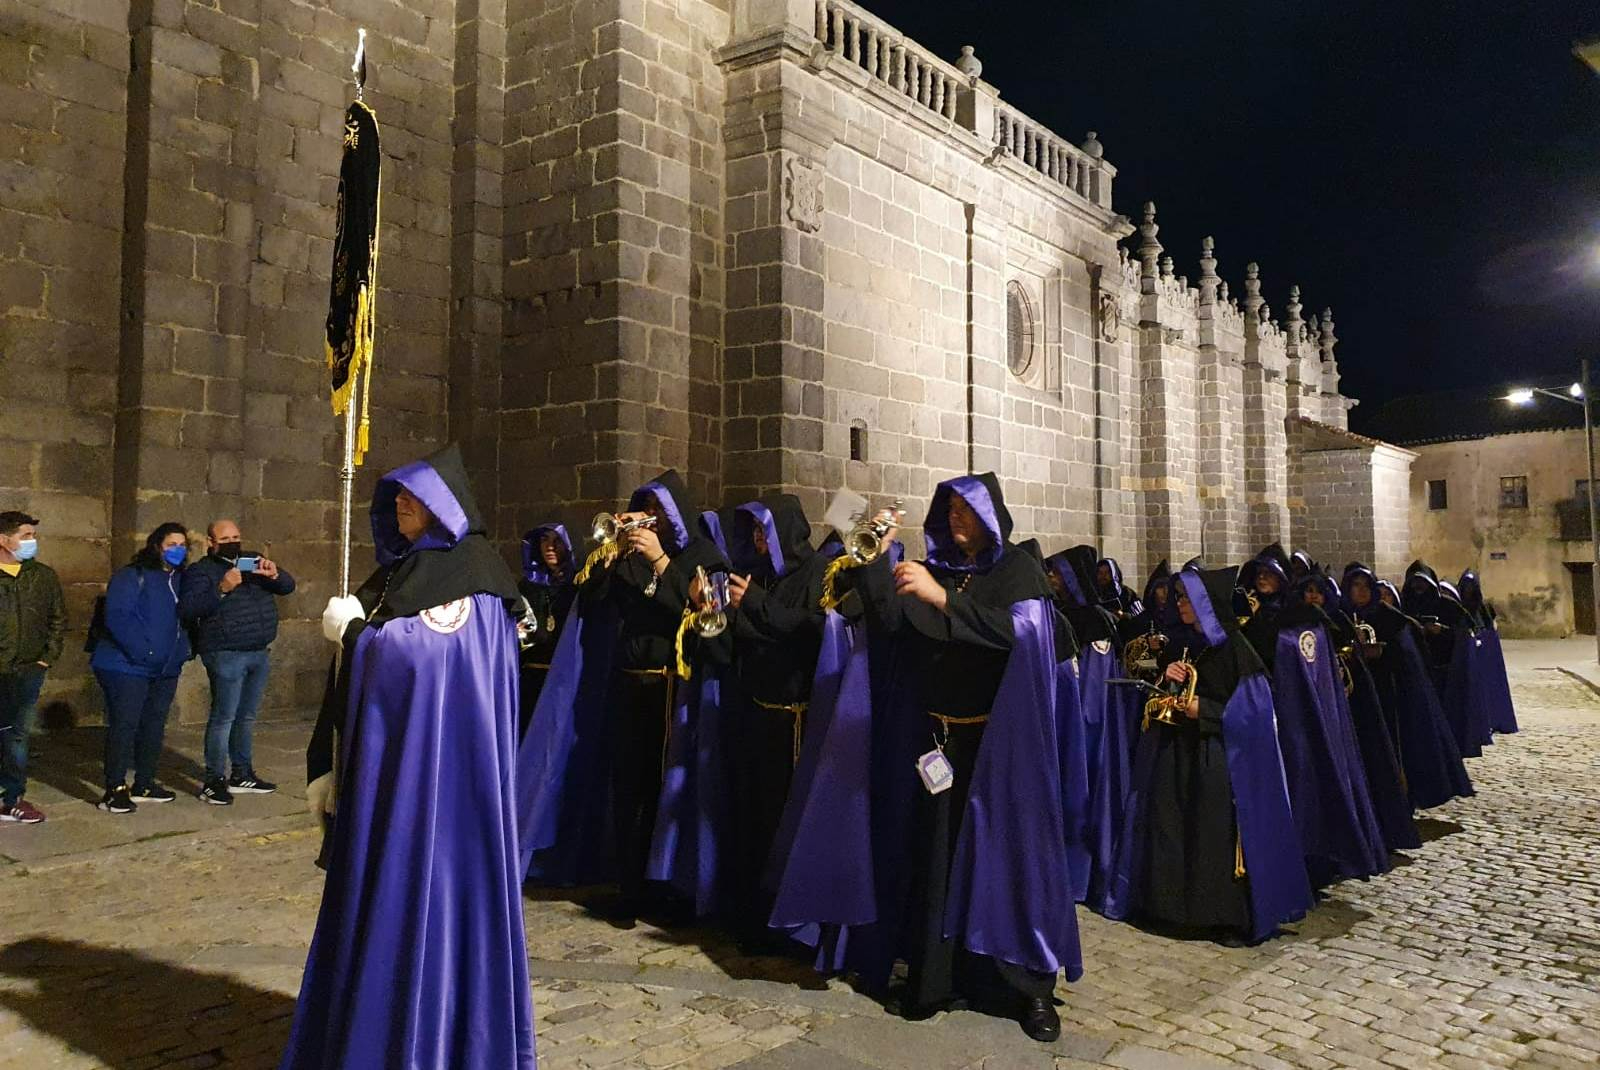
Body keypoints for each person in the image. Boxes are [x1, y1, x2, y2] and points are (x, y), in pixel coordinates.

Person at [781, 474, 1080, 1043]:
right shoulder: (938, 570)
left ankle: (1027, 990)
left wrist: (942, 599)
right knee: (935, 859)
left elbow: (1024, 636)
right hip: (936, 741)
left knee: (1009, 862)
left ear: (991, 517)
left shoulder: (1016, 571)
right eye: (951, 510)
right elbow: (894, 626)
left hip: (1000, 749)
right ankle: (934, 980)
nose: (958, 520)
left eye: (968, 511)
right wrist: (873, 557)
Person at [282, 444, 535, 1070]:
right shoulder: (403, 572)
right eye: (395, 494)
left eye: (413, 495)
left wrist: (355, 636)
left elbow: (424, 660)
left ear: (445, 507)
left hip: (442, 791)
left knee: (424, 907)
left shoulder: (469, 571)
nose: (400, 503)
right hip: (393, 774)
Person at [517, 470, 727, 918]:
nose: (649, 519)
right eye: (644, 509)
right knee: (627, 786)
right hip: (628, 685)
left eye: (658, 511)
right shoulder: (627, 558)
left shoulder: (701, 555)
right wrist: (610, 553)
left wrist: (661, 563)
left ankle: (667, 888)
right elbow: (590, 602)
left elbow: (698, 612)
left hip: (675, 688)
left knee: (666, 791)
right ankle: (629, 886)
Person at [1106, 565, 1312, 945]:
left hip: (1217, 757)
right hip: (1179, 754)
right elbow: (1168, 690)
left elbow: (1257, 713)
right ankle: (1173, 910)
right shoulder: (1189, 643)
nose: (1179, 604)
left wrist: (1208, 711)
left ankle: (1222, 917)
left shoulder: (1237, 649)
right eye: (1179, 597)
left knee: (1212, 838)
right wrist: (1168, 679)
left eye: (1186, 598)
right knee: (1175, 829)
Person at [718, 494, 830, 945]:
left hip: (797, 723)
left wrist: (757, 606)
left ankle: (793, 924)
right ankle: (754, 915)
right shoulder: (758, 575)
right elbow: (756, 639)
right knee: (753, 820)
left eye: (766, 531)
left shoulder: (817, 575)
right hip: (757, 715)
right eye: (755, 533)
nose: (760, 541)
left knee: (789, 823)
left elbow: (814, 632)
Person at [1252, 573, 1389, 888]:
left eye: (1317, 592)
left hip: (1321, 718)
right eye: (1307, 591)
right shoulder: (1278, 626)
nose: (1312, 597)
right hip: (1289, 720)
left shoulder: (1320, 626)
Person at [178, 520, 295, 805]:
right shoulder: (200, 571)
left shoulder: (252, 562)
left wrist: (275, 573)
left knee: (247, 716)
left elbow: (287, 587)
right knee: (224, 718)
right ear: (210, 542)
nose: (232, 541)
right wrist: (222, 588)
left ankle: (242, 773)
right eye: (225, 537)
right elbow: (190, 608)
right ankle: (213, 780)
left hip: (257, 649)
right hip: (225, 651)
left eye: (236, 536)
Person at [1302, 572, 1419, 854]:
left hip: (1369, 700)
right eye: (1355, 586)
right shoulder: (1313, 622)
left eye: (1366, 587)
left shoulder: (1349, 621)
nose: (1314, 597)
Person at [1342, 566, 1473, 810]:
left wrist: (1382, 653)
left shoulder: (1391, 619)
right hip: (1355, 696)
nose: (1360, 591)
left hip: (1389, 694)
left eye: (1364, 586)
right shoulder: (1342, 617)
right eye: (1354, 586)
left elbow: (1408, 661)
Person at [90, 523, 192, 814]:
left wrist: (180, 652)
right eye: (171, 543)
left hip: (165, 667)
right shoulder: (132, 575)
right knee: (125, 724)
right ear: (157, 545)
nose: (177, 549)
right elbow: (118, 617)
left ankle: (145, 782)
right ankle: (115, 787)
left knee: (154, 724)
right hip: (126, 666)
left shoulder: (181, 579)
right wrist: (143, 652)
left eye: (182, 544)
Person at [0, 511, 65, 824]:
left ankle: (12, 797)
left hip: (27, 670)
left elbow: (57, 619)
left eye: (33, 535)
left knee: (17, 734)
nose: (32, 541)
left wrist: (46, 658)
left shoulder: (42, 576)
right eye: (25, 535)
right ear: (4, 540)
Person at [516, 523, 576, 733]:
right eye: (544, 540)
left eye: (556, 540)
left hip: (565, 685)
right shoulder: (527, 587)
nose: (550, 546)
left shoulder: (579, 586)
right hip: (532, 686)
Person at [1452, 570, 1517, 736]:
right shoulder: (1457, 610)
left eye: (1470, 588)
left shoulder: (1485, 610)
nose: (1468, 591)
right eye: (1465, 588)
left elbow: (1490, 632)